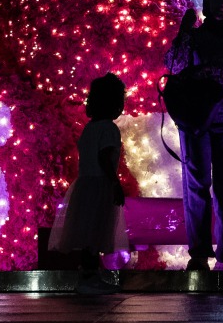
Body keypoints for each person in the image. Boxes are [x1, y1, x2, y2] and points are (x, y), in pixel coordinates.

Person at [164, 0, 223, 272]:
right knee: (197, 182)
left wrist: (197, 73)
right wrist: (185, 32)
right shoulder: (194, 36)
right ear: (207, 2)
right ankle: (199, 253)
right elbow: (174, 65)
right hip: (195, 113)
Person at [48, 72, 129, 295]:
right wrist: (115, 183)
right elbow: (104, 158)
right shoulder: (110, 130)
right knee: (96, 230)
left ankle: (87, 275)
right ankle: (90, 278)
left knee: (87, 232)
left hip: (85, 185)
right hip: (100, 186)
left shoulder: (90, 128)